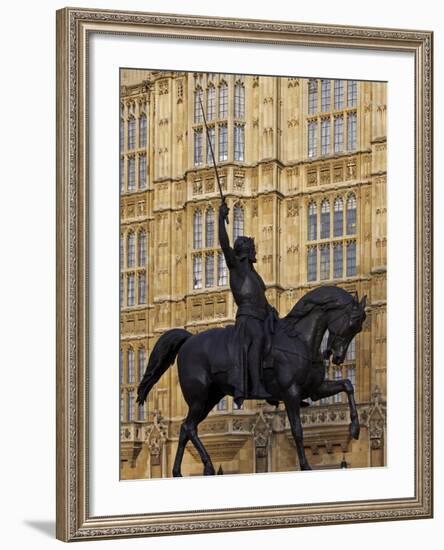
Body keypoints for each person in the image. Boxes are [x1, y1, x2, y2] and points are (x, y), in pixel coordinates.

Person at [218, 202, 277, 406]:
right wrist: (220, 218)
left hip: (261, 316)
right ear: (244, 251)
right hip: (247, 318)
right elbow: (224, 244)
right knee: (258, 338)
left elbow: (261, 297)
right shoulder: (236, 268)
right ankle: (256, 385)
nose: (255, 253)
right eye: (253, 249)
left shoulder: (254, 275)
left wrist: (271, 311)